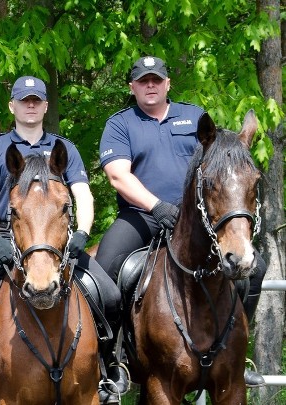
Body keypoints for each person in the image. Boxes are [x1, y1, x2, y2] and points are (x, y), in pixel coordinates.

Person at [0, 76, 124, 405]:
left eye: (36, 101)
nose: (30, 106)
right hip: (7, 236)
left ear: (44, 106)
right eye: (24, 100)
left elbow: (82, 195)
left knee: (110, 295)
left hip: (57, 240)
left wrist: (82, 232)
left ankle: (109, 368)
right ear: (12, 106)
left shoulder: (63, 148)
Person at [95, 56, 267, 387]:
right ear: (132, 87)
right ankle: (110, 360)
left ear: (167, 84)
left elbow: (220, 162)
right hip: (142, 217)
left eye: (156, 80)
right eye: (143, 81)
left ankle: (238, 353)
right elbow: (118, 176)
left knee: (255, 269)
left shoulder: (193, 117)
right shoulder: (120, 124)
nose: (150, 86)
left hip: (198, 221)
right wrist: (156, 206)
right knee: (104, 270)